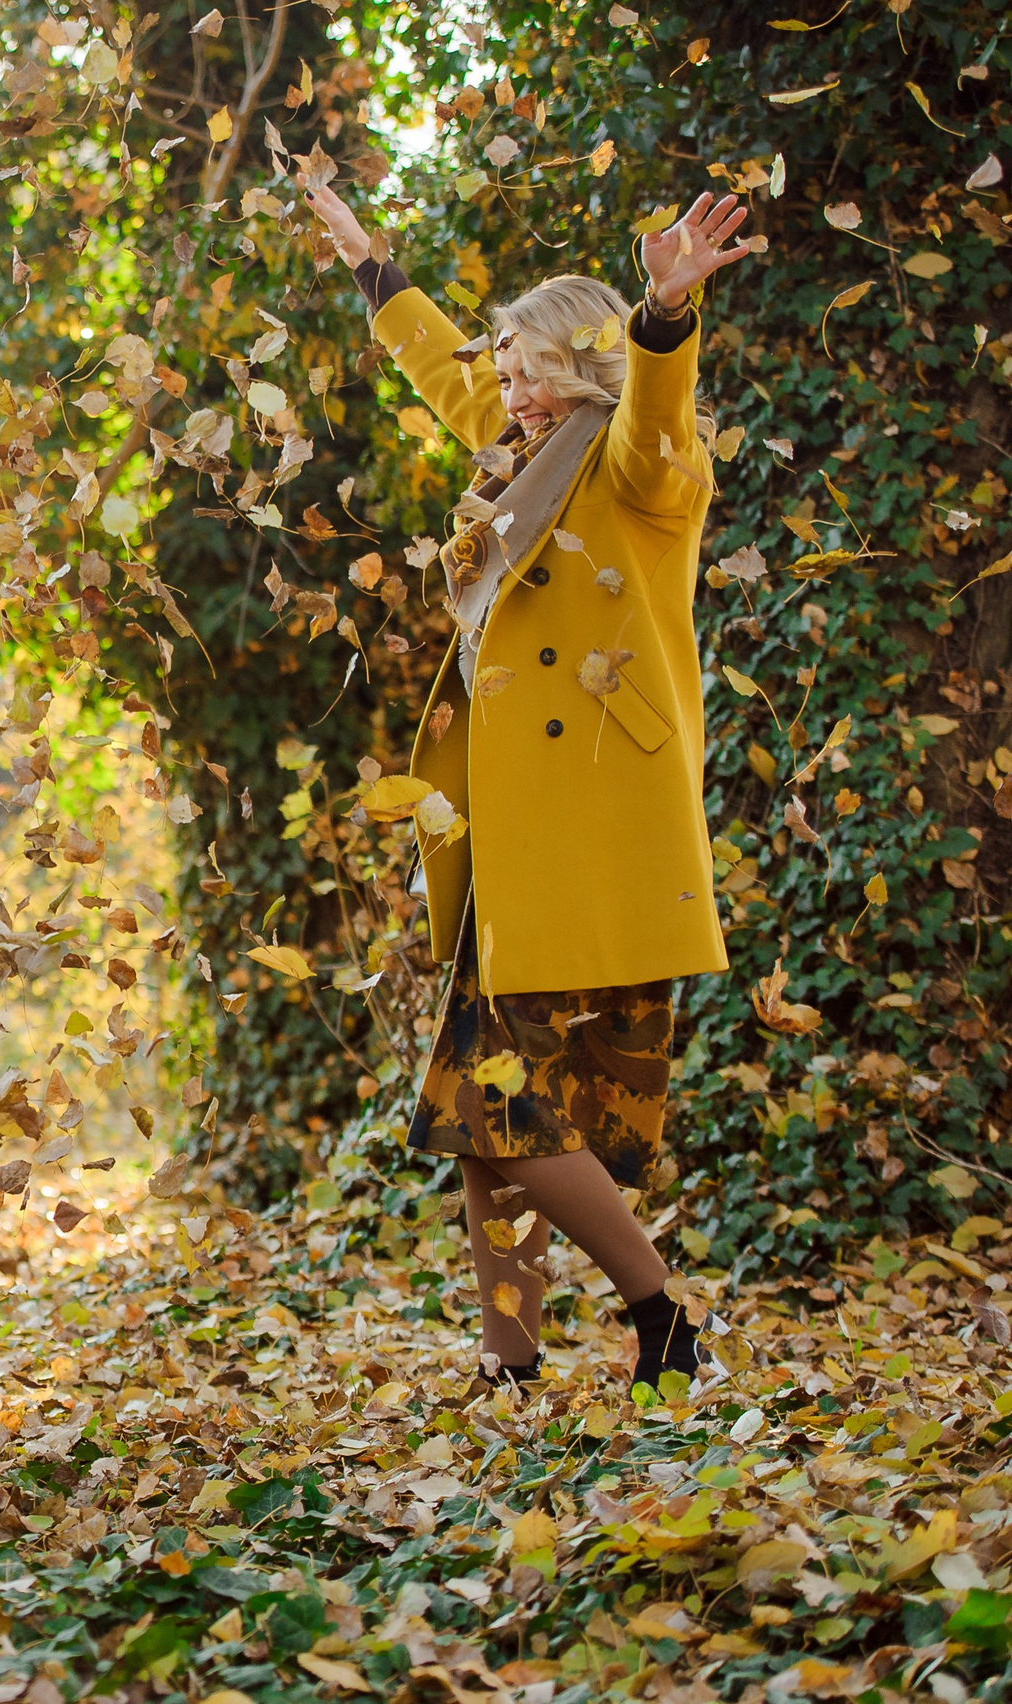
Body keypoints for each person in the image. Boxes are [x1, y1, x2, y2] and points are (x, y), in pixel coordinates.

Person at [304, 183, 754, 1393]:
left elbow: (657, 423)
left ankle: (660, 1311)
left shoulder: (639, 473)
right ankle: (511, 1367)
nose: (505, 390)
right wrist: (374, 268)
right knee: (482, 1120)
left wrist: (663, 318)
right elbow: (443, 376)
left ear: (582, 359)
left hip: (596, 835)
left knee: (489, 1097)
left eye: (527, 367)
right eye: (503, 370)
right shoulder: (520, 462)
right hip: (510, 846)